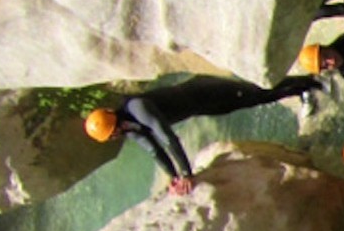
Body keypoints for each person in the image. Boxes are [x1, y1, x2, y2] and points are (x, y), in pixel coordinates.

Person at [84, 75, 321, 194]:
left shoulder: (138, 109)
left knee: (257, 93)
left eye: (111, 134)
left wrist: (187, 173)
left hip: (204, 90)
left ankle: (308, 83)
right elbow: (154, 150)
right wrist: (173, 178)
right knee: (251, 101)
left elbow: (168, 138)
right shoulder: (128, 127)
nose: (114, 138)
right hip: (202, 106)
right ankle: (302, 90)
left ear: (113, 125)